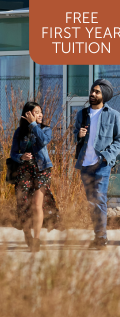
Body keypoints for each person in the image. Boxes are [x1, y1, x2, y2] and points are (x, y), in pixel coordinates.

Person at [74, 79, 120, 250]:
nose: (93, 94)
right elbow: (74, 135)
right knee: (92, 201)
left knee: (99, 199)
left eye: (97, 92)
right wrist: (78, 135)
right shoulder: (81, 114)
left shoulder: (113, 114)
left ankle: (101, 238)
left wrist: (107, 156)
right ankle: (98, 236)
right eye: (92, 91)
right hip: (85, 164)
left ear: (104, 95)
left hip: (102, 164)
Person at [10, 101, 62, 252]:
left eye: (40, 112)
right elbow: (13, 153)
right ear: (27, 114)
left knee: (37, 204)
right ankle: (27, 235)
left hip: (42, 169)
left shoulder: (46, 129)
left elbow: (44, 141)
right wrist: (21, 157)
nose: (40, 115)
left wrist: (33, 125)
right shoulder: (19, 132)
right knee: (23, 204)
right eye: (36, 112)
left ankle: (36, 239)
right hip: (24, 170)